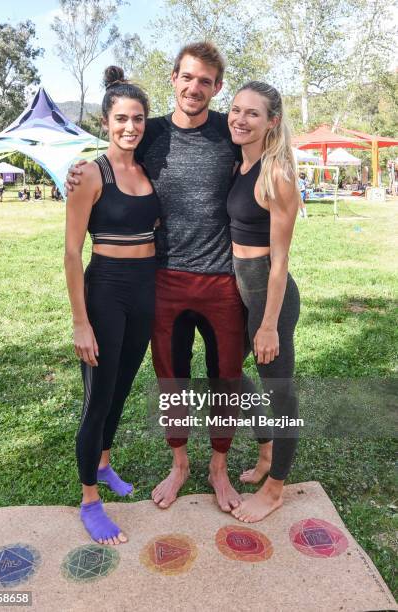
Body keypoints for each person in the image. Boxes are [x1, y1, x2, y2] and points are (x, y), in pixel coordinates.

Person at [66, 41, 274, 514]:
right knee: (170, 379)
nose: (195, 88)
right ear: (174, 79)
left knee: (225, 378)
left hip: (223, 280)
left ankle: (218, 468)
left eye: (206, 81)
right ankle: (179, 464)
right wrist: (74, 171)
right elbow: (111, 154)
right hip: (163, 279)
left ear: (217, 87)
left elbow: (270, 156)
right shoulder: (150, 132)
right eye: (187, 77)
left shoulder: (231, 131)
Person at [64, 66, 159, 546]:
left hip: (146, 291)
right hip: (104, 291)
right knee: (97, 398)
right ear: (106, 121)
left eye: (138, 118)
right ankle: (88, 500)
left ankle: (103, 465)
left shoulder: (147, 168)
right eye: (121, 118)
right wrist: (81, 322)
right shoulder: (88, 174)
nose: (131, 127)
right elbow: (71, 252)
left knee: (121, 388)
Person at [227, 81, 300, 522]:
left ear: (272, 121)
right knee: (227, 374)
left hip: (270, 297)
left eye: (253, 113)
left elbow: (279, 260)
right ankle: (267, 448)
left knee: (280, 391)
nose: (240, 119)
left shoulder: (277, 174)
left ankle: (275, 489)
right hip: (240, 292)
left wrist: (268, 323)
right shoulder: (239, 165)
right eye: (236, 110)